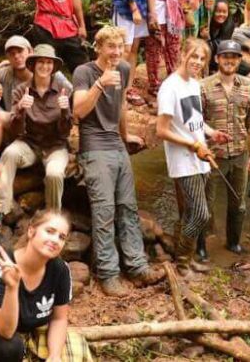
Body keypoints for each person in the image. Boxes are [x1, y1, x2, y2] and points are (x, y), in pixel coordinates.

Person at [72, 26, 164, 296]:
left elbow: (122, 105)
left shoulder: (124, 69)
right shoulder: (84, 72)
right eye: (110, 47)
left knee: (128, 206)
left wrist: (125, 138)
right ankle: (108, 274)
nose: (116, 52)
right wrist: (100, 84)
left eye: (120, 46)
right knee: (104, 211)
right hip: (94, 147)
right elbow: (78, 111)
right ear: (98, 48)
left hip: (115, 144)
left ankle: (137, 266)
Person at [0, 210, 93, 362]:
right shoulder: (2, 267)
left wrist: (54, 356)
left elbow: (59, 319)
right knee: (8, 348)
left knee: (75, 348)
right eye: (49, 231)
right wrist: (12, 287)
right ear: (31, 231)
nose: (55, 240)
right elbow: (5, 331)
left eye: (61, 237)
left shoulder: (61, 270)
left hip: (33, 331)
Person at [156, 38, 226, 276]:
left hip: (201, 158)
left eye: (202, 58)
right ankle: (182, 264)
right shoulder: (170, 87)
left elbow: (193, 120)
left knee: (190, 213)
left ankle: (187, 257)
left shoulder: (193, 84)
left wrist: (210, 133)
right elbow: (162, 130)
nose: (197, 62)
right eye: (193, 56)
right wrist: (193, 144)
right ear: (182, 54)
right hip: (183, 161)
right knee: (200, 213)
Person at [0, 45, 72, 237]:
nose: (45, 66)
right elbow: (16, 130)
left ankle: (53, 217)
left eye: (49, 62)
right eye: (41, 62)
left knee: (54, 174)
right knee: (9, 154)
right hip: (29, 143)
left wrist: (65, 111)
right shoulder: (21, 90)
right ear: (33, 65)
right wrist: (20, 110)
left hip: (55, 146)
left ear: (53, 66)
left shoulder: (63, 90)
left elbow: (65, 132)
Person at [199, 40, 250, 256]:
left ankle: (233, 243)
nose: (229, 60)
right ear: (217, 59)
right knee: (207, 204)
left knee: (239, 203)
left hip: (240, 155)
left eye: (234, 57)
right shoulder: (203, 86)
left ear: (239, 60)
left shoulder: (248, 86)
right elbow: (196, 121)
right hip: (212, 156)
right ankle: (202, 247)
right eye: (225, 56)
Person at [0, 36, 72, 151]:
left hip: (46, 127)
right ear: (7, 57)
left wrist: (61, 109)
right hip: (15, 121)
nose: (17, 56)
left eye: (20, 51)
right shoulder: (3, 72)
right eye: (12, 54)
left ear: (31, 52)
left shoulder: (49, 72)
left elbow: (70, 91)